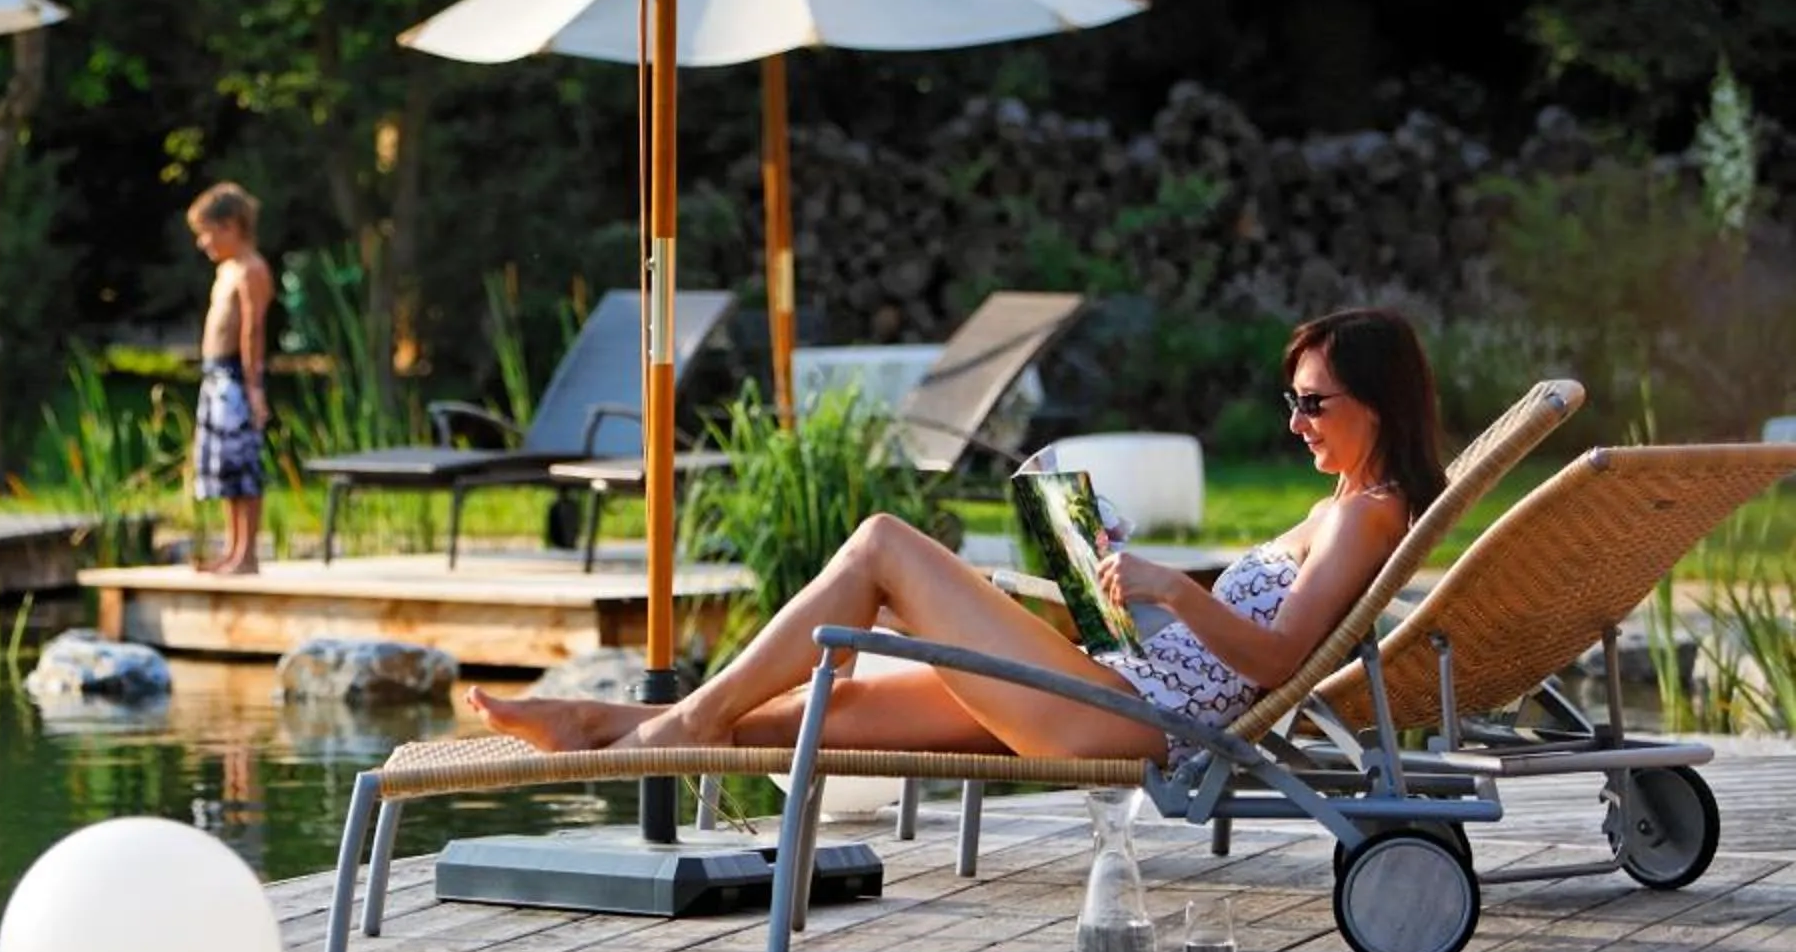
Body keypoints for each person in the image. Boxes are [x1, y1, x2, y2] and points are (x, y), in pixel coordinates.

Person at [470, 307, 1443, 760]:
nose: (1295, 421)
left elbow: (1278, 660)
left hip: (1135, 716)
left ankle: (668, 721)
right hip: (1122, 682)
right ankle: (605, 726)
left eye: (1314, 401)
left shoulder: (1372, 510)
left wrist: (1170, 587)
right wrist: (1106, 585)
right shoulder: (1344, 503)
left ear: (1378, 400)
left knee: (886, 544)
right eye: (1293, 398)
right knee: (824, 712)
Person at [186, 183, 274, 575]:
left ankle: (247, 554)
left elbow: (253, 331)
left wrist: (254, 388)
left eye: (207, 232)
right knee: (223, 469)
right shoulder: (227, 270)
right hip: (215, 375)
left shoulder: (252, 270)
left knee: (243, 465)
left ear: (231, 225)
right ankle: (232, 547)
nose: (203, 243)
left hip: (238, 378)